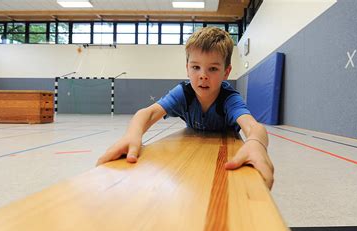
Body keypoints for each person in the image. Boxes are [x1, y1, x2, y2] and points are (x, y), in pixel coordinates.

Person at [96, 27, 274, 189]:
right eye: (196, 67)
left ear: (226, 72)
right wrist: (132, 135)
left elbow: (253, 127)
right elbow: (148, 114)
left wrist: (256, 143)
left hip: (223, 151)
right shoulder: (184, 93)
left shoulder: (229, 99)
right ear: (187, 69)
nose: (203, 76)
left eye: (212, 69)